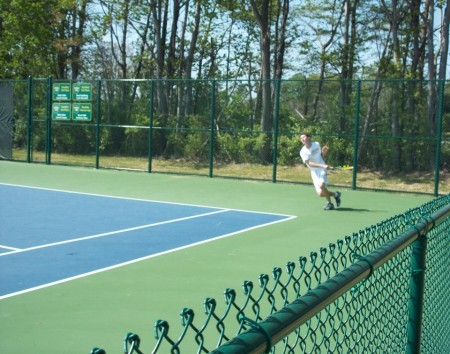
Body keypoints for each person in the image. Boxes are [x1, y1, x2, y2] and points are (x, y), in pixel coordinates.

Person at [299, 132, 341, 210]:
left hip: (322, 169)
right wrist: (323, 165)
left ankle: (329, 203)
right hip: (314, 171)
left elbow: (320, 156)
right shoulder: (303, 152)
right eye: (301, 138)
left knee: (321, 185)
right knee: (320, 194)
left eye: (303, 137)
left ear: (309, 137)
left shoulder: (316, 144)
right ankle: (336, 194)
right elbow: (310, 163)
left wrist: (323, 152)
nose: (302, 139)